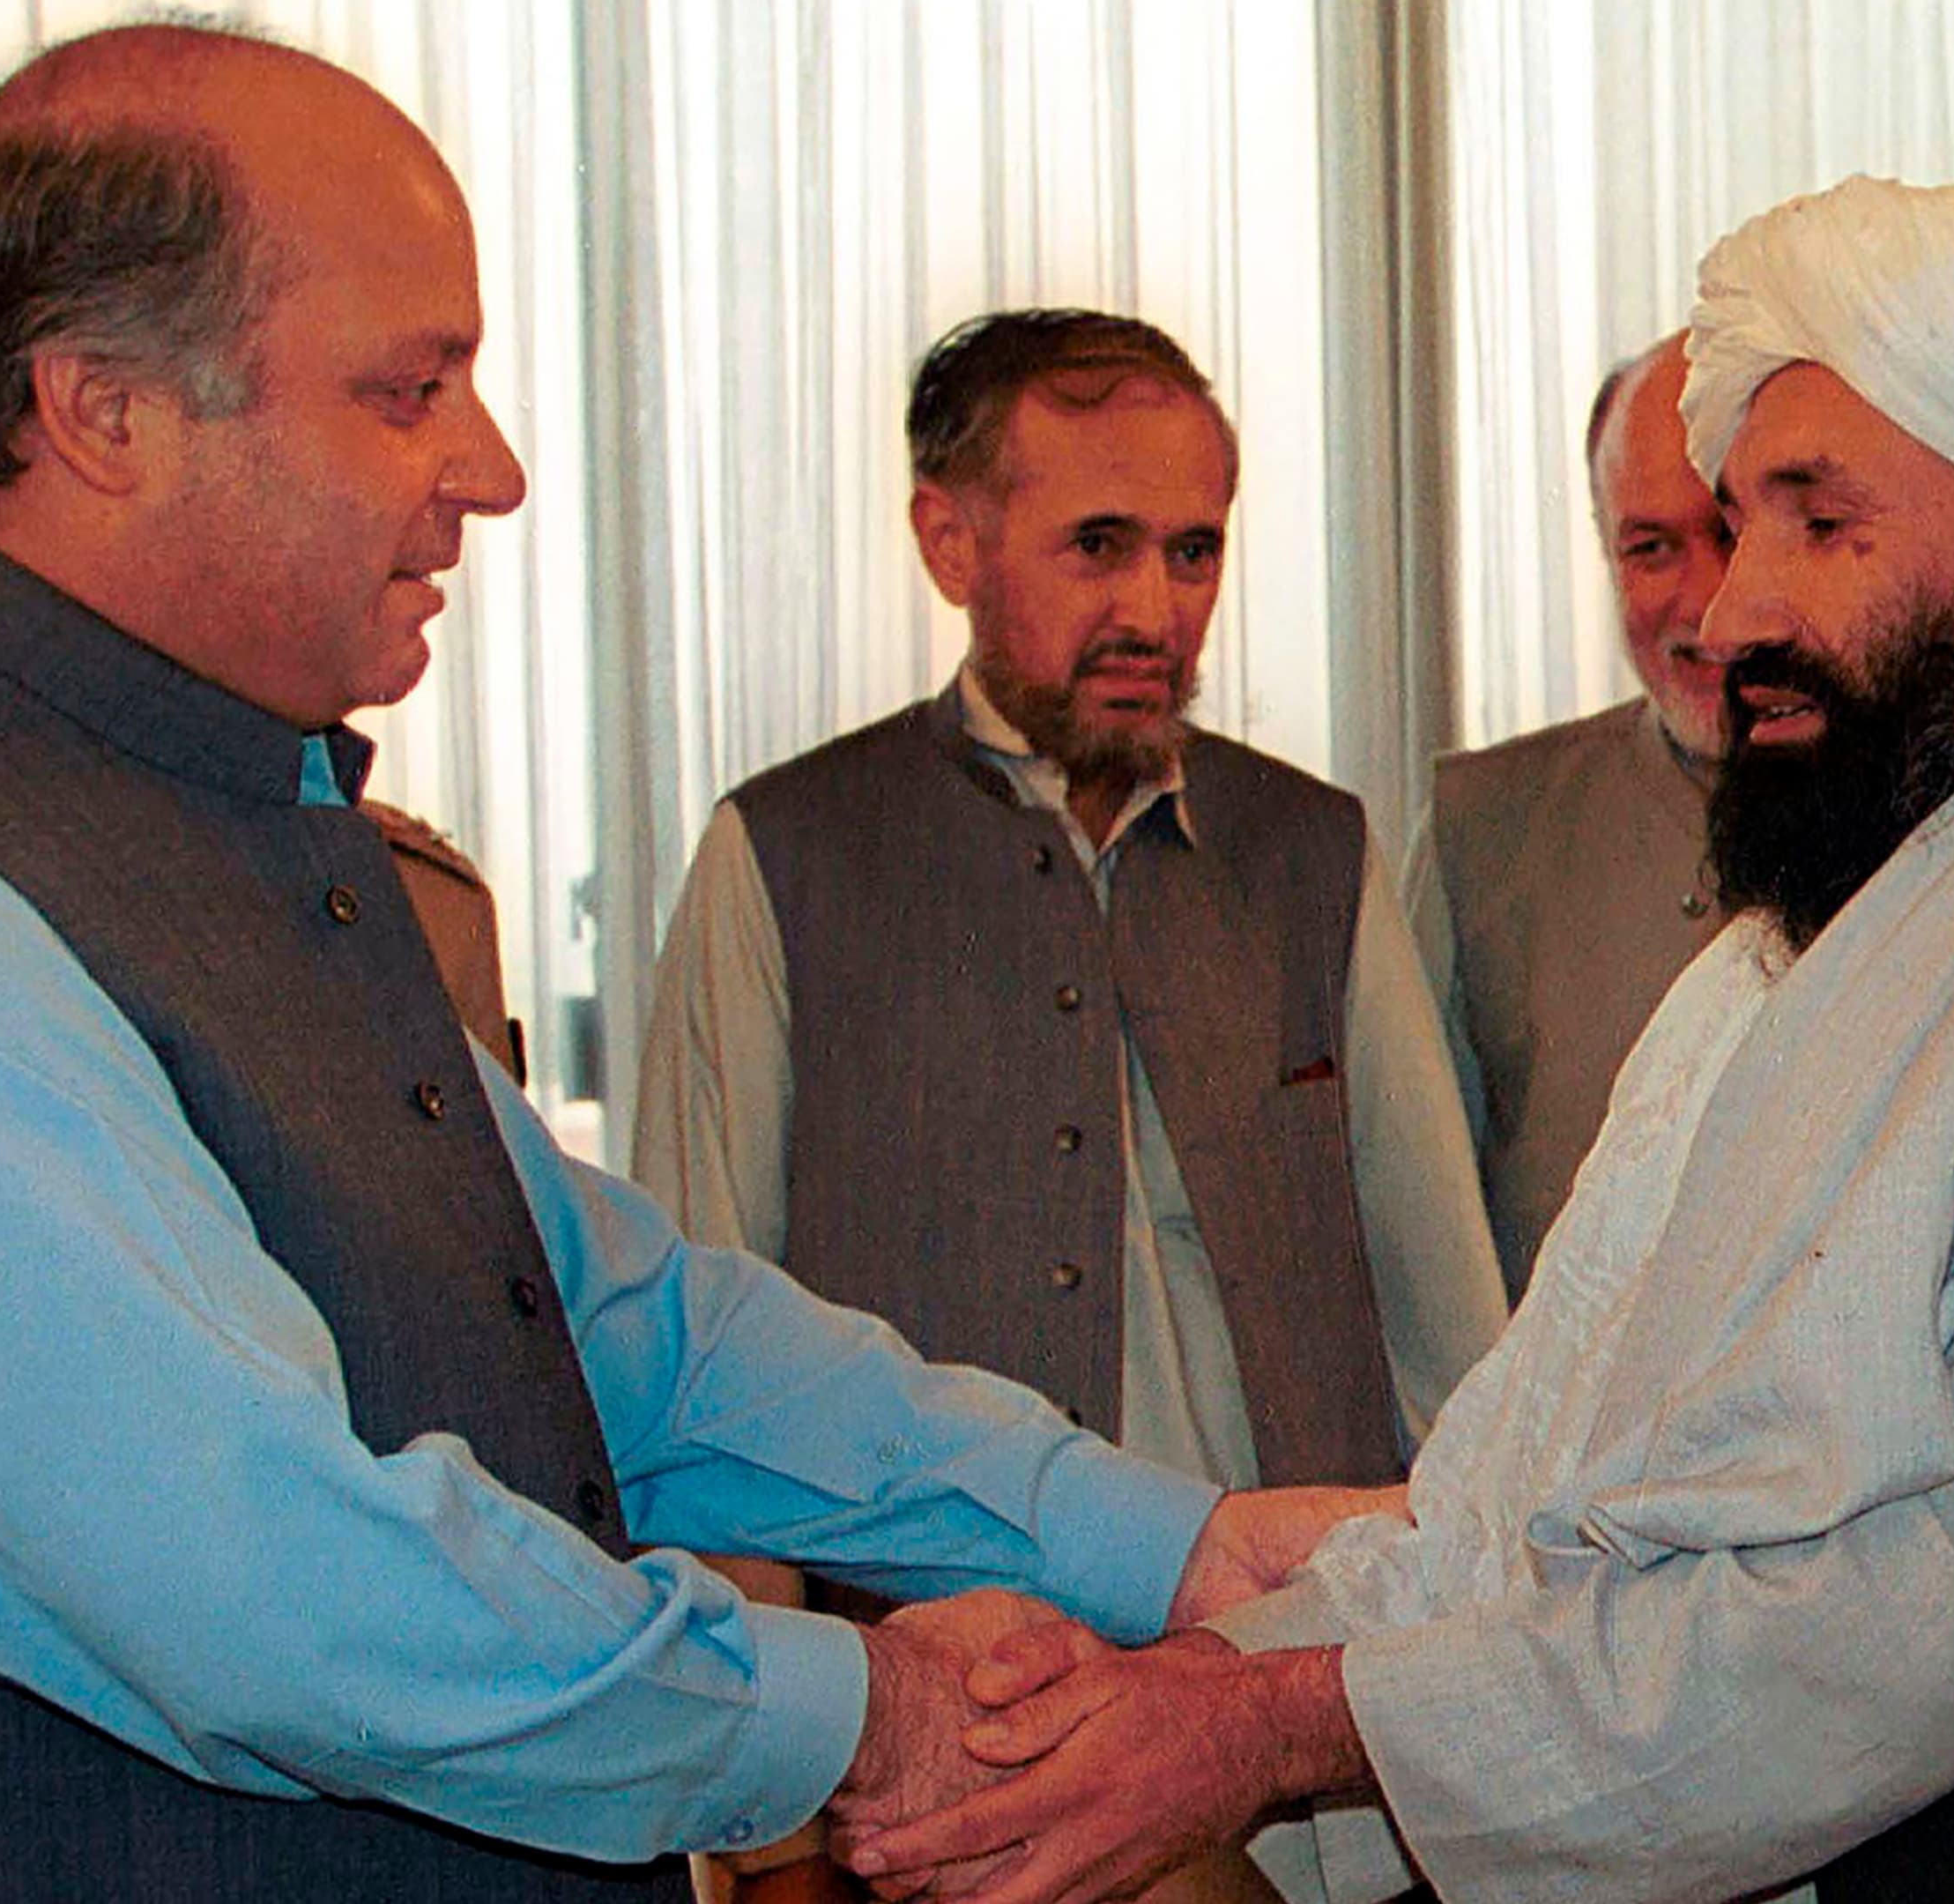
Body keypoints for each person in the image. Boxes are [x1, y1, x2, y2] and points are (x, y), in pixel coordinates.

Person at [0, 29, 1363, 1900]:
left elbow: (596, 1326)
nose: (489, 470)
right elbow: (263, 1591)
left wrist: (1172, 1548)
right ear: (102, 413)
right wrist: (855, 1712)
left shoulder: (242, 810)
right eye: (412, 389)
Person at [839, 174, 1954, 1904]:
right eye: (1732, 532)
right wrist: (1129, 1697)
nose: (1729, 616)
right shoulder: (1790, 974)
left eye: (1817, 520)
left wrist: (1259, 1731)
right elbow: (1537, 1490)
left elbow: (1943, 1612)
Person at [635, 306, 1502, 1902]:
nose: (1154, 609)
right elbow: (690, 1377)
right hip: (949, 1796)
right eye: (1098, 546)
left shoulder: (1315, 853)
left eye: (1194, 551)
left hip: (1322, 1778)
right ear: (947, 540)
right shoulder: (785, 857)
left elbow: (1451, 1346)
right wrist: (762, 1848)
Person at [1404, 332, 1733, 1296]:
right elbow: (1413, 1238)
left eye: (1733, 534)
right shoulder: (1484, 827)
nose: (1706, 602)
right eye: (1650, 548)